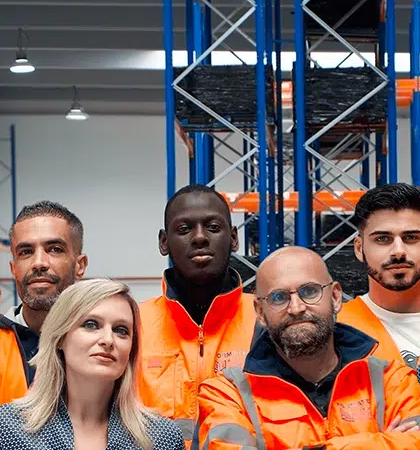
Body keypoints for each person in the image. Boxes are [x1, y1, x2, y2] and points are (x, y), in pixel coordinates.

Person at [196, 245, 420, 450]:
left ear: (336, 297)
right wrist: (382, 442)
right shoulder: (227, 395)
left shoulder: (390, 381)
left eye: (309, 291)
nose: (296, 308)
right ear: (260, 312)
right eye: (278, 297)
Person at [0, 277, 184, 449]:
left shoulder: (162, 438)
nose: (108, 340)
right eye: (91, 325)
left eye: (121, 330)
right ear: (60, 337)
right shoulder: (9, 429)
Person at [137, 184, 256, 445]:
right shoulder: (134, 324)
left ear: (234, 238)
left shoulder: (265, 321)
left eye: (213, 227)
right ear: (164, 242)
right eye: (184, 229)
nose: (199, 237)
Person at [338, 183, 420, 386]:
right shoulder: (336, 330)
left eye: (411, 237)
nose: (398, 251)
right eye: (382, 239)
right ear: (359, 248)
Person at [0, 199, 88, 403]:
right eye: (26, 252)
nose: (39, 263)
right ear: (13, 269)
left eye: (55, 249)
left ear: (80, 265)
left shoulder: (108, 341)